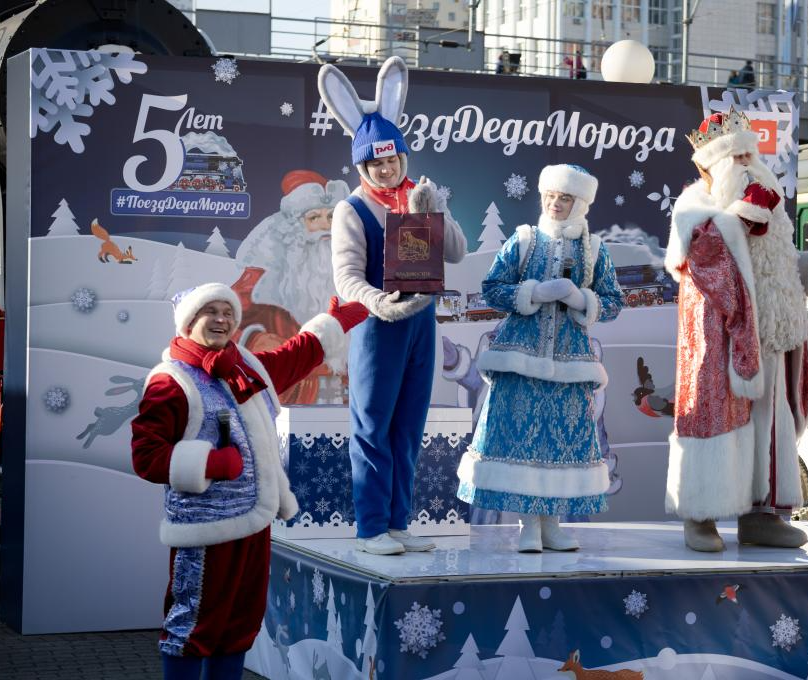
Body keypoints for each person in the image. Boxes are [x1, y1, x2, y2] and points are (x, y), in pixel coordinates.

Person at [131, 283, 368, 679]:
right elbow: (146, 456)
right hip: (205, 531)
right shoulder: (170, 380)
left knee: (240, 627)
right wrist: (207, 462)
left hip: (253, 524)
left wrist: (334, 324)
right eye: (212, 312)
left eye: (228, 312)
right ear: (190, 321)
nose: (222, 320)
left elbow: (292, 357)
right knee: (191, 628)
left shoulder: (244, 366)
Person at [663, 108, 808, 552]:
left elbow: (779, 270)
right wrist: (742, 216)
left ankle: (761, 514)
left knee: (771, 424)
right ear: (709, 165)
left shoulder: (772, 204)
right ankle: (699, 514)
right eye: (734, 157)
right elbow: (699, 258)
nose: (744, 164)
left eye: (748, 154)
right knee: (716, 418)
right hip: (721, 340)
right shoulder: (694, 204)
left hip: (773, 336)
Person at [318, 57, 468, 555]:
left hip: (422, 323)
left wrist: (433, 211)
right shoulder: (353, 209)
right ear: (363, 166)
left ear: (403, 157)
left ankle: (399, 521)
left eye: (393, 160)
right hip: (378, 326)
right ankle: (371, 529)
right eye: (377, 163)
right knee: (372, 425)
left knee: (409, 425)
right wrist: (378, 303)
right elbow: (346, 277)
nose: (387, 169)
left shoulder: (418, 196)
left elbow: (457, 252)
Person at [456, 164, 624, 552]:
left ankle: (552, 524)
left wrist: (582, 299)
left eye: (565, 198)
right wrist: (533, 292)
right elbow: (493, 289)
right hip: (520, 357)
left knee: (559, 443)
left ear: (580, 203)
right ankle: (527, 523)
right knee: (522, 439)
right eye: (551, 195)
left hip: (570, 361)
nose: (555, 203)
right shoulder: (524, 240)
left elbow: (614, 301)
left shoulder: (594, 249)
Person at [233, 170, 352, 404]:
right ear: (296, 226)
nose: (324, 227)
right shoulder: (265, 275)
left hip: (345, 389)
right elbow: (227, 323)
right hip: (290, 390)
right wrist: (256, 340)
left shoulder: (353, 269)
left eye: (331, 218)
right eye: (314, 218)